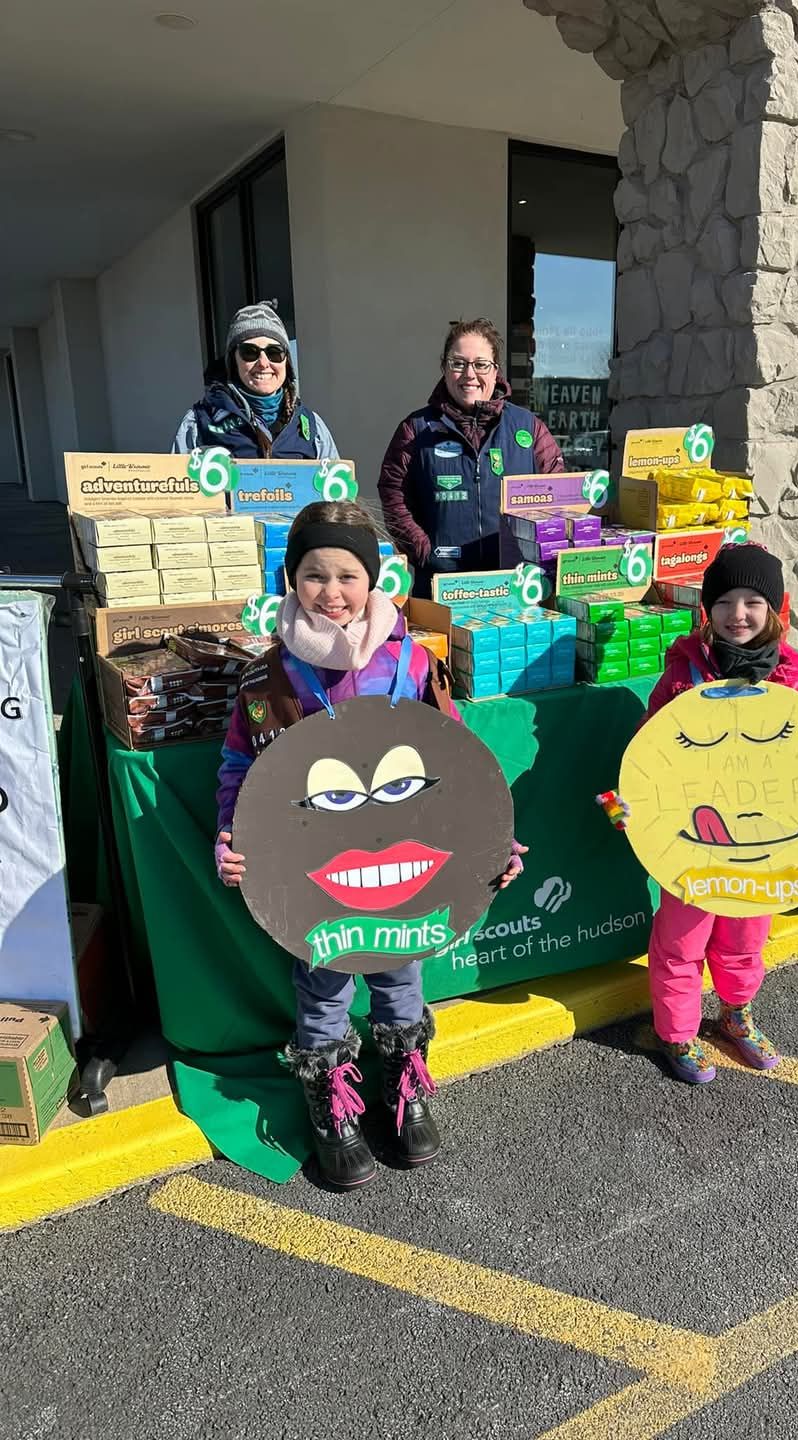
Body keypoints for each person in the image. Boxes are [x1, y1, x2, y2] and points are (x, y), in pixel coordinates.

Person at [214, 500, 524, 1188]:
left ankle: (404, 1085)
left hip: (402, 869)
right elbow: (240, 769)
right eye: (314, 575)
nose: (332, 593)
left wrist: (493, 842)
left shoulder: (409, 664)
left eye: (347, 575)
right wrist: (231, 836)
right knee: (322, 983)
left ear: (373, 580)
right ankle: (331, 1104)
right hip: (316, 875)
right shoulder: (266, 681)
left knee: (399, 973)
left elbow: (458, 764)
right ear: (291, 580)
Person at [642, 544, 798, 1084]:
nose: (737, 614)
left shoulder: (795, 681)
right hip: (691, 842)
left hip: (763, 843)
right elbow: (650, 753)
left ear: (773, 609)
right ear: (706, 609)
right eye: (724, 601)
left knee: (745, 934)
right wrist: (629, 801)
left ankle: (736, 1015)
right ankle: (675, 1032)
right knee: (681, 939)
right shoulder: (683, 678)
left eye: (752, 601)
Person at [378, 318, 565, 597]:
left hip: (515, 587)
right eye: (458, 363)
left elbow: (559, 495)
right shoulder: (415, 430)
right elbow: (393, 492)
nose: (469, 374)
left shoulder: (528, 428)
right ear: (444, 368)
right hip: (441, 588)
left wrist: (538, 552)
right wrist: (424, 551)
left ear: (495, 371)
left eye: (480, 364)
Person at [173, 301, 339, 459]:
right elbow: (176, 484)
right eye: (250, 352)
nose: (263, 363)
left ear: (286, 362)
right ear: (233, 361)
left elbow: (335, 485)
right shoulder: (199, 422)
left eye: (274, 352)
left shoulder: (311, 426)